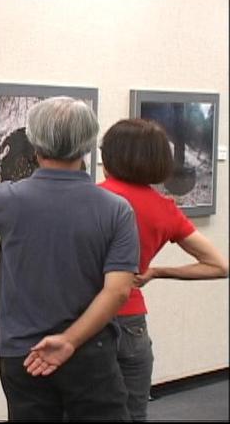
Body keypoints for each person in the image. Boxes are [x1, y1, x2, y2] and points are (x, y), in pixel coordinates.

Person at [0, 96, 139, 421]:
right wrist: (69, 342)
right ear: (87, 147)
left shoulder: (8, 199)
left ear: (35, 144)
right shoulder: (115, 210)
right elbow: (117, 291)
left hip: (24, 353)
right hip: (89, 350)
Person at [98, 118, 229, 421]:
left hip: (85, 316)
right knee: (132, 414)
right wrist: (157, 272)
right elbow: (219, 266)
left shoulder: (93, 197)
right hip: (132, 322)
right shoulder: (164, 209)